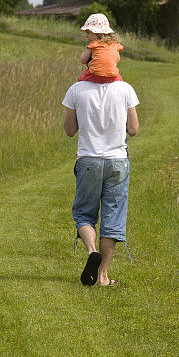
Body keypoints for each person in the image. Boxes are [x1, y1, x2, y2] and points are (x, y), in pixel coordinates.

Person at [62, 31, 139, 286]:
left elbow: (70, 131)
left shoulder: (76, 90)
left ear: (89, 59)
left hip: (88, 160)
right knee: (113, 217)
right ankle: (103, 276)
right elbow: (134, 129)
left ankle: (91, 250)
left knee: (84, 215)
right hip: (117, 160)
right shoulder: (126, 89)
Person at [77, 13, 124, 84]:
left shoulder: (93, 44)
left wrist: (87, 49)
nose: (86, 36)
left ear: (97, 33)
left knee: (80, 80)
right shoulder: (115, 44)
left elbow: (83, 60)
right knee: (120, 82)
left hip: (94, 76)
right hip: (112, 77)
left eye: (88, 33)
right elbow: (117, 59)